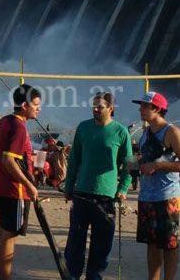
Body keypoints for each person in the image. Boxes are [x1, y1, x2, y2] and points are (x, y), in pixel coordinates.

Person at [64, 92, 132, 280]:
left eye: (100, 106)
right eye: (93, 105)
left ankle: (94, 276)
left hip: (106, 196)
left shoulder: (121, 131)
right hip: (81, 192)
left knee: (101, 244)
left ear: (111, 108)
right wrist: (68, 186)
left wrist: (123, 188)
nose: (95, 109)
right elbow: (74, 159)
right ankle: (73, 275)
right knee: (75, 241)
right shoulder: (83, 127)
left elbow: (128, 165)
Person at [0, 84, 41, 280]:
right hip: (15, 190)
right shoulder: (19, 127)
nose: (38, 109)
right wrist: (29, 184)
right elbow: (8, 159)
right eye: (36, 105)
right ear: (25, 105)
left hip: (1, 187)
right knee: (10, 235)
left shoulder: (3, 122)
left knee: (2, 233)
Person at [133, 91, 180, 280]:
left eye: (145, 106)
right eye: (141, 106)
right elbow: (145, 158)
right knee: (151, 244)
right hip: (147, 196)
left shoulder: (171, 132)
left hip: (168, 197)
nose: (140, 109)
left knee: (170, 244)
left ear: (157, 109)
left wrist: (159, 165)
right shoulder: (145, 133)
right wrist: (135, 163)